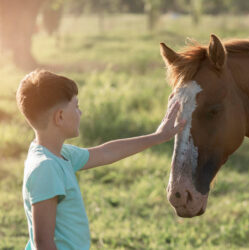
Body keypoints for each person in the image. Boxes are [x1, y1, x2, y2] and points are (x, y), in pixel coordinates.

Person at [16, 69, 185, 250]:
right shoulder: (46, 168)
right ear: (60, 116)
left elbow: (106, 153)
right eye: (76, 107)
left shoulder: (59, 154)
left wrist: (158, 137)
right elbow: (43, 242)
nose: (80, 113)